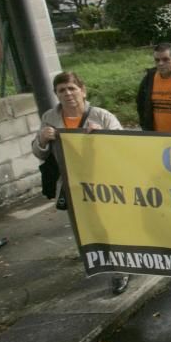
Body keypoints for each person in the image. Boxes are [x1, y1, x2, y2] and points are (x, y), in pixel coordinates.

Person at [34, 72, 125, 292]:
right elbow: (39, 153)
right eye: (61, 90)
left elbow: (123, 146)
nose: (67, 94)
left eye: (72, 88)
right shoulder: (50, 118)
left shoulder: (102, 116)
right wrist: (42, 139)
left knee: (109, 226)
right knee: (83, 226)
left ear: (83, 91)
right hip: (72, 185)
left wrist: (102, 135)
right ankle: (93, 259)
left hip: (103, 183)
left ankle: (119, 271)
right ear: (56, 94)